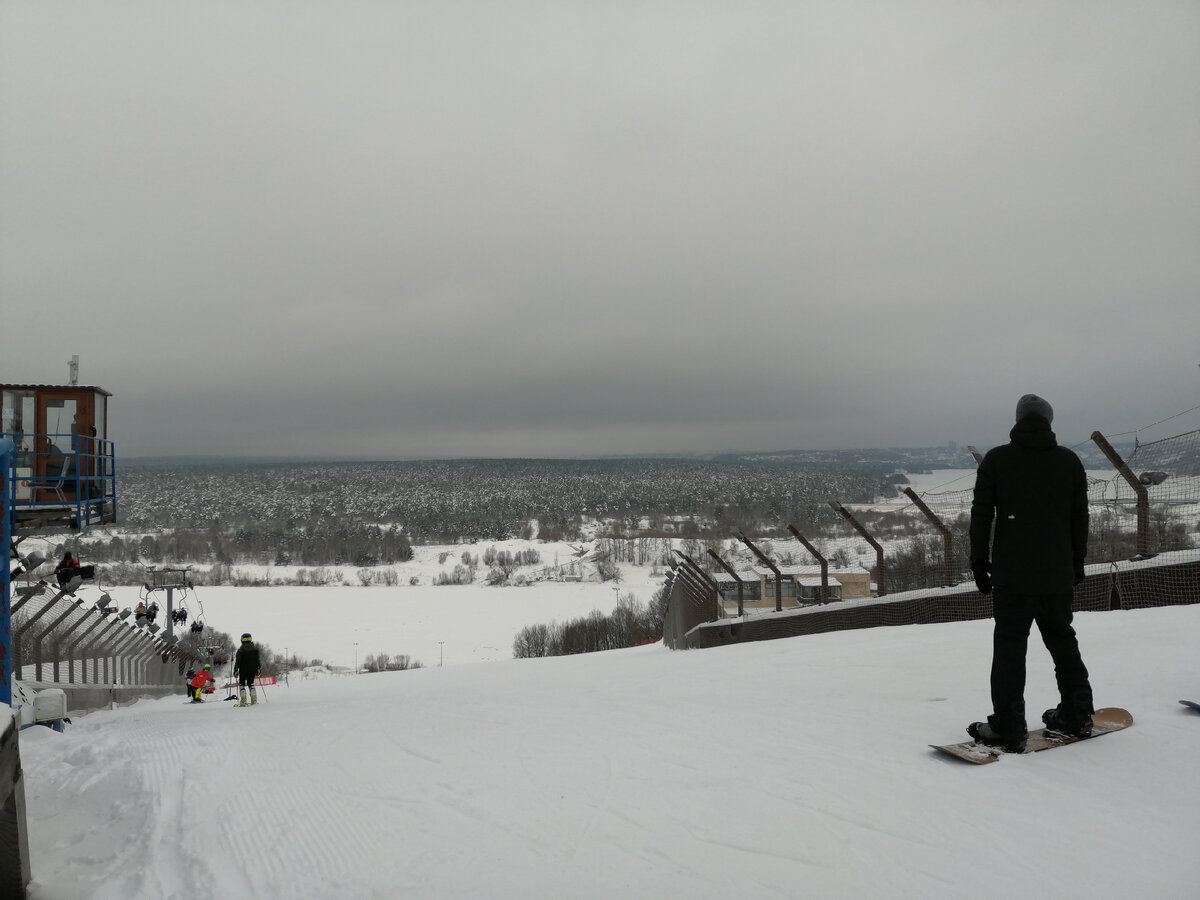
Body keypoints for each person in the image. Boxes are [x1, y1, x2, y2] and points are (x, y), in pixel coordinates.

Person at [967, 394, 1094, 752]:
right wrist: (1077, 562)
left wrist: (978, 561)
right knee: (1062, 639)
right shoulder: (1068, 461)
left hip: (1013, 573)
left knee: (1009, 647)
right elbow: (1079, 517)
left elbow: (982, 515)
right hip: (1057, 571)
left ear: (1019, 420)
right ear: (1048, 422)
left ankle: (1008, 725)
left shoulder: (997, 460)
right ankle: (1078, 711)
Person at [234, 633, 262, 706]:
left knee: (242, 684)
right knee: (251, 684)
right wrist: (258, 668)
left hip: (243, 670)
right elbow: (257, 660)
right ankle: (254, 700)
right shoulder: (255, 650)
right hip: (252, 670)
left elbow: (238, 661)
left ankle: (243, 701)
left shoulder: (240, 650)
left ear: (242, 640)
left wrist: (235, 670)